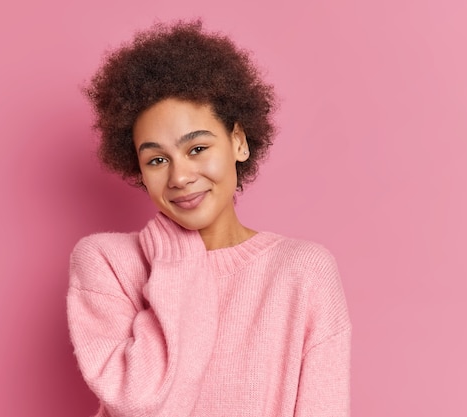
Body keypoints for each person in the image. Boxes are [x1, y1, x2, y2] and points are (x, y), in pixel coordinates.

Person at [67, 20, 351, 417]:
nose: (180, 176)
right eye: (157, 160)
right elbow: (139, 403)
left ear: (237, 141)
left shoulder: (302, 270)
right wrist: (179, 261)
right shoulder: (106, 262)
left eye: (197, 148)